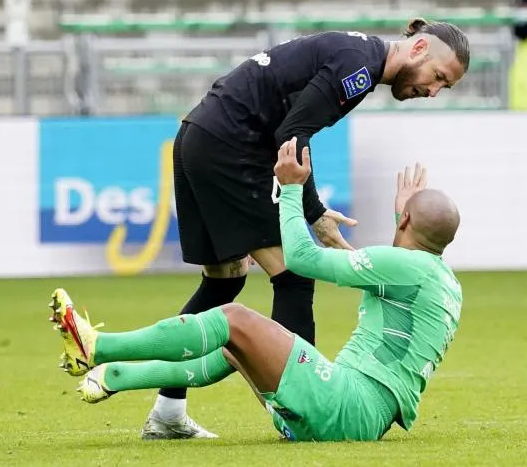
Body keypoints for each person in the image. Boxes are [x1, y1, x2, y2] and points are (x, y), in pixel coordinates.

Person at [104, 18, 469, 439]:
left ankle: (168, 412)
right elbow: (292, 134)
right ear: (419, 48)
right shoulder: (360, 69)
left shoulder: (358, 54)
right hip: (230, 147)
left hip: (198, 135)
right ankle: (301, 405)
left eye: (445, 87)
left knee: (225, 283)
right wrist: (313, 211)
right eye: (438, 77)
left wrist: (314, 211)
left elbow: (289, 123)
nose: (433, 91)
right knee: (294, 276)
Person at [48, 144, 463, 443]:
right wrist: (404, 216)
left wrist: (292, 190)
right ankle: (120, 376)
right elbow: (409, 253)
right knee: (237, 346)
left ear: (406, 218)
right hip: (349, 416)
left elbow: (300, 259)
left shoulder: (406, 267)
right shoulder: (445, 284)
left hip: (345, 406)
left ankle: (98, 347)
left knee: (234, 318)